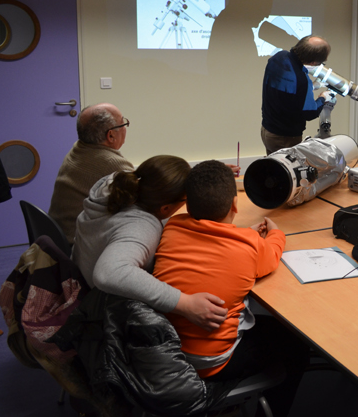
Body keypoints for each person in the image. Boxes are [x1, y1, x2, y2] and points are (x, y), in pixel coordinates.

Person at [152, 161, 303, 415]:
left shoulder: (172, 228)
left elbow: (211, 240)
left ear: (188, 205)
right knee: (296, 345)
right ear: (235, 205)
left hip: (164, 351)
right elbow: (272, 254)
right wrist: (275, 234)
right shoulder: (250, 247)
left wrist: (242, 235)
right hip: (210, 363)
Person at [74, 156, 229, 331]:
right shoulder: (141, 226)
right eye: (184, 200)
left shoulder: (120, 184)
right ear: (165, 209)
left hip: (80, 285)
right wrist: (185, 303)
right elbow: (109, 272)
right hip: (103, 318)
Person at [46, 104, 134, 243]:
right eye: (123, 123)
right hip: (76, 243)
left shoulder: (78, 147)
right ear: (111, 135)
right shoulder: (112, 163)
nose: (125, 128)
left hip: (58, 234)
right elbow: (146, 200)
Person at [260, 35, 330, 152]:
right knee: (285, 169)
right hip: (285, 138)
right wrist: (323, 98)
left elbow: (285, 91)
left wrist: (311, 86)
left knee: (272, 166)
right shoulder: (301, 80)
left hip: (267, 130)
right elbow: (310, 113)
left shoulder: (279, 57)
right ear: (313, 62)